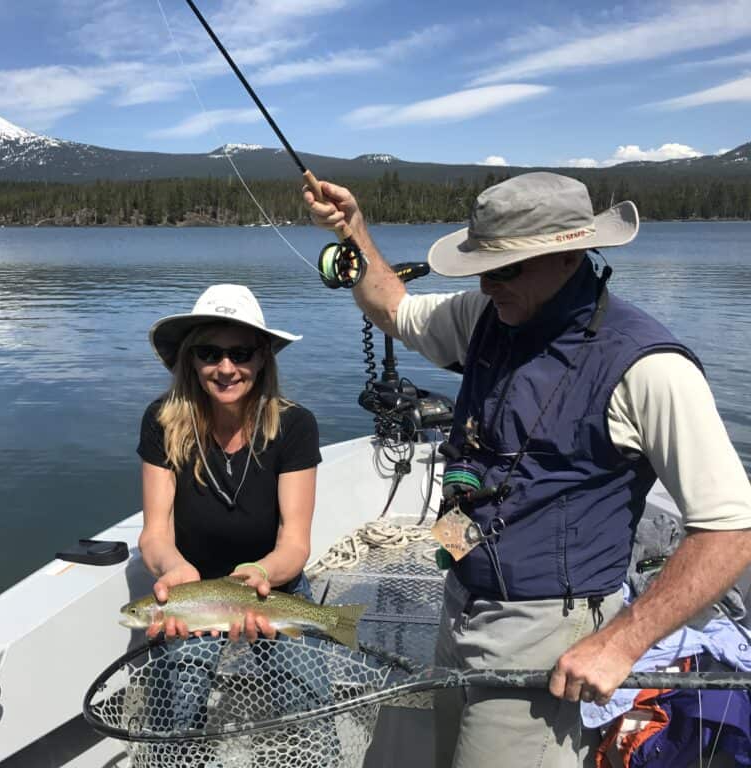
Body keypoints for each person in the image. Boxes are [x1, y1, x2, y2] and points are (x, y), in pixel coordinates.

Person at [304, 172, 751, 768]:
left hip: (550, 632)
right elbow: (394, 307)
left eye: (505, 267)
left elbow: (731, 529)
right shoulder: (486, 314)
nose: (487, 282)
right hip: (462, 597)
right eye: (481, 266)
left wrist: (620, 643)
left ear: (568, 255)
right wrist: (353, 228)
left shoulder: (649, 367)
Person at [137, 283, 322, 642]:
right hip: (190, 593)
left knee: (310, 692)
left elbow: (295, 544)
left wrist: (260, 573)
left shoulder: (296, 425)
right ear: (190, 358)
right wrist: (175, 569)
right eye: (209, 353)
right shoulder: (161, 420)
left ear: (262, 356)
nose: (226, 368)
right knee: (182, 695)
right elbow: (155, 534)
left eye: (240, 353)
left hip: (273, 588)